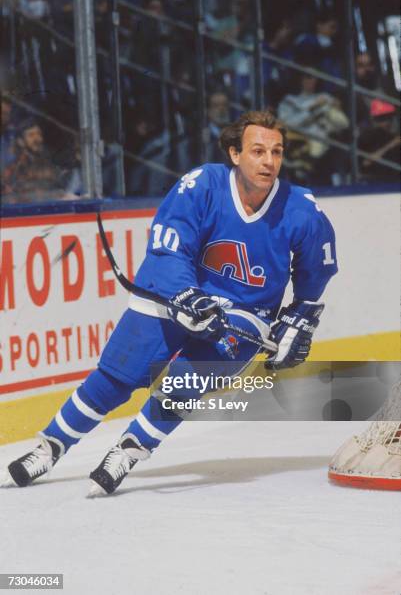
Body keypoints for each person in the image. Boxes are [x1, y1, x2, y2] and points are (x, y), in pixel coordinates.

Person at [1, 110, 338, 496]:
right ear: (234, 154)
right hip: (174, 292)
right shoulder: (201, 186)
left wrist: (302, 315)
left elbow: (316, 272)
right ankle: (51, 445)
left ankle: (130, 449)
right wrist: (186, 294)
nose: (268, 162)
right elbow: (169, 244)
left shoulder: (301, 210)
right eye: (258, 151)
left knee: (184, 383)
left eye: (276, 152)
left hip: (246, 312)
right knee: (117, 377)